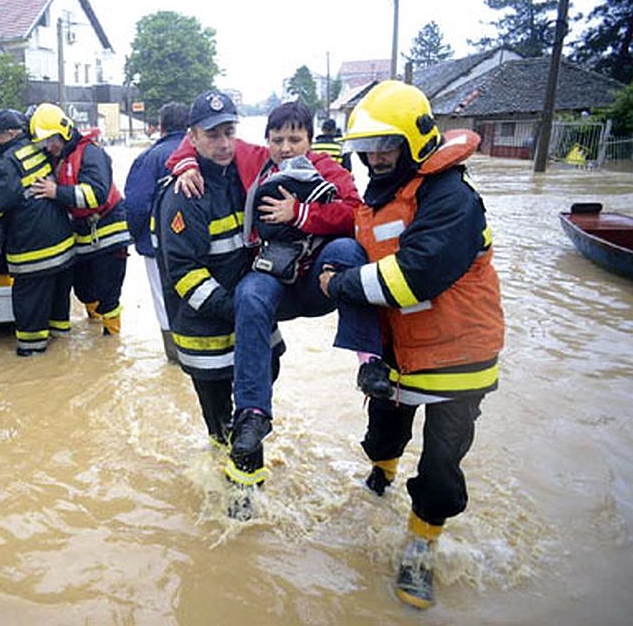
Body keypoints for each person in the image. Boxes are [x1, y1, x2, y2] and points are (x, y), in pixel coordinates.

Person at [319, 81, 505, 609]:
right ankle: (380, 477)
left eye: (387, 145)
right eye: (368, 147)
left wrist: (340, 286)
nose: (376, 157)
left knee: (442, 466)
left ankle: (421, 549)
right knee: (383, 431)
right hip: (400, 349)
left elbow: (414, 276)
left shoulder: (451, 197)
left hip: (457, 355)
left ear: (415, 141)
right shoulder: (381, 190)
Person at [168, 102, 387, 495]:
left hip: (305, 287)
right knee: (223, 421)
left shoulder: (325, 168)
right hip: (237, 309)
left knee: (350, 257)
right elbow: (202, 147)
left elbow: (357, 216)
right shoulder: (208, 181)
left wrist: (300, 213)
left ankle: (369, 361)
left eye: (295, 139)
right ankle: (248, 448)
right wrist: (184, 163)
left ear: (311, 140)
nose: (286, 148)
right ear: (266, 141)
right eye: (278, 139)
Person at [154, 91, 285, 463]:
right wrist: (242, 310)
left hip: (250, 319)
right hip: (207, 333)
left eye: (229, 131)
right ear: (192, 137)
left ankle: (240, 491)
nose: (224, 143)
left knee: (253, 413)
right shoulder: (184, 195)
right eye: (213, 135)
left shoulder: (245, 177)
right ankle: (238, 505)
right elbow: (183, 272)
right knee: (226, 429)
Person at [0, 110, 75, 356]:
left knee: (29, 317)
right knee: (58, 318)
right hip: (62, 247)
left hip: (34, 253)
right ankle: (63, 360)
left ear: (11, 133)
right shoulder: (36, 149)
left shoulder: (10, 161)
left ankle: (32, 360)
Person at [30, 103, 131, 335]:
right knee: (84, 289)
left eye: (52, 139)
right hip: (83, 232)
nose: (48, 145)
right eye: (44, 141)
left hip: (109, 229)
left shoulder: (92, 153)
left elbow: (96, 193)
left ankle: (111, 342)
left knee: (109, 293)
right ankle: (94, 327)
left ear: (64, 132)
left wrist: (57, 192)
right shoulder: (57, 156)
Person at [123, 101, 189, 360]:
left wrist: (136, 236)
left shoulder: (149, 158)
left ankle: (176, 357)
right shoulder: (203, 152)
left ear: (160, 127)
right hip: (203, 242)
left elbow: (137, 205)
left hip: (158, 245)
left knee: (165, 301)